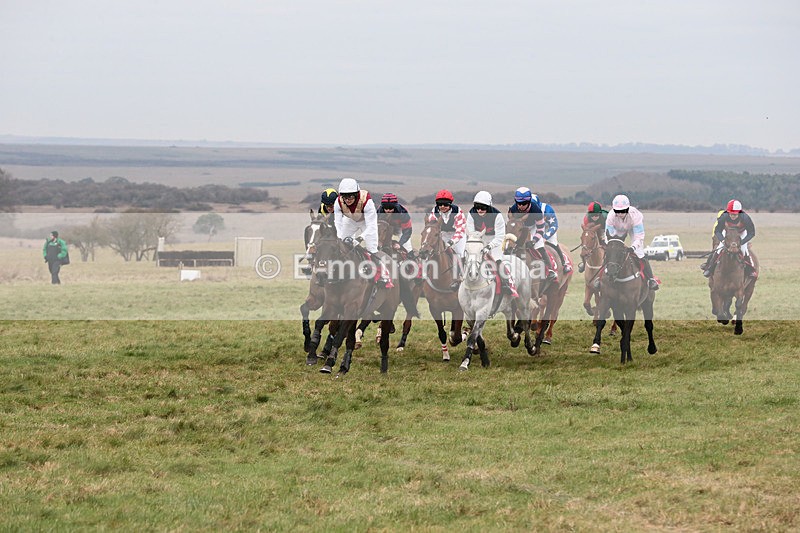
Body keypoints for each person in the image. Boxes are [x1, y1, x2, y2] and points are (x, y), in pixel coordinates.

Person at [333, 177, 393, 288]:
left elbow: (371, 226)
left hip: (366, 222)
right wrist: (339, 237)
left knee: (372, 250)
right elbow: (338, 222)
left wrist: (359, 238)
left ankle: (382, 275)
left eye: (351, 196)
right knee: (340, 245)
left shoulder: (367, 202)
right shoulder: (338, 202)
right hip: (350, 221)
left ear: (356, 194)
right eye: (345, 196)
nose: (348, 199)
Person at [467, 190, 519, 298]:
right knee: (469, 257)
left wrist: (489, 246)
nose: (480, 210)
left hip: (495, 239)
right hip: (478, 239)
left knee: (497, 260)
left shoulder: (497, 215)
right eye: (477, 206)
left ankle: (507, 283)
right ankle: (459, 281)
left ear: (489, 206)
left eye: (483, 207)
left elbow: (500, 236)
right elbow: (471, 233)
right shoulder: (471, 214)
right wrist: (480, 245)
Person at [605, 194, 659, 291]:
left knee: (640, 253)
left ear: (627, 209)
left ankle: (651, 280)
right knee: (611, 251)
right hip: (617, 230)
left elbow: (639, 236)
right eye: (618, 211)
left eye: (623, 211)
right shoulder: (610, 216)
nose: (620, 213)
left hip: (632, 229)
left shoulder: (635, 215)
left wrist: (633, 247)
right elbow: (609, 235)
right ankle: (600, 277)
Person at [507, 187, 557, 281]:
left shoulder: (536, 210)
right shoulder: (513, 209)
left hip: (534, 226)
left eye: (524, 203)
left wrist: (534, 240)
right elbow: (512, 225)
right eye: (519, 203)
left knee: (539, 246)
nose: (521, 206)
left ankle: (550, 270)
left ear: (529, 201)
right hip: (520, 227)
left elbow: (541, 229)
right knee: (510, 246)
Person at [703, 199, 757, 278]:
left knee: (744, 249)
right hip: (727, 233)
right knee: (718, 248)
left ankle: (751, 270)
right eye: (731, 214)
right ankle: (710, 267)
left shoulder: (745, 218)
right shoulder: (724, 216)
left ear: (739, 212)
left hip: (741, 233)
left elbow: (752, 233)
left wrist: (742, 242)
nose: (732, 216)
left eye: (735, 214)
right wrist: (723, 240)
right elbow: (717, 231)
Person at [531, 192, 571, 274]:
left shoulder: (547, 209)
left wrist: (545, 237)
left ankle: (564, 264)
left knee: (553, 243)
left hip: (548, 228)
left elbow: (554, 225)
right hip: (536, 228)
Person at [376, 193, 415, 259]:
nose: (388, 210)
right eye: (385, 208)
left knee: (408, 247)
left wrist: (400, 244)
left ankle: (412, 260)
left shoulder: (403, 213)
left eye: (391, 208)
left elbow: (407, 232)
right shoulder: (379, 211)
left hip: (399, 229)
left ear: (395, 206)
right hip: (385, 228)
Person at [430, 189, 467, 257]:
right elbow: (432, 229)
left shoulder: (457, 211)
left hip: (457, 236)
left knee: (460, 254)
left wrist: (451, 242)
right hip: (443, 235)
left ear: (450, 204)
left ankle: (463, 266)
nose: (442, 206)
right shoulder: (434, 212)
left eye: (445, 204)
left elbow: (460, 230)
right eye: (440, 204)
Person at [578, 201, 608, 273]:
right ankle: (584, 264)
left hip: (606, 228)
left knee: (605, 243)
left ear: (600, 213)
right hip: (593, 229)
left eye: (597, 215)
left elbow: (610, 229)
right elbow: (587, 231)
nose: (594, 217)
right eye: (592, 215)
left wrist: (603, 237)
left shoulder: (606, 216)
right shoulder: (586, 218)